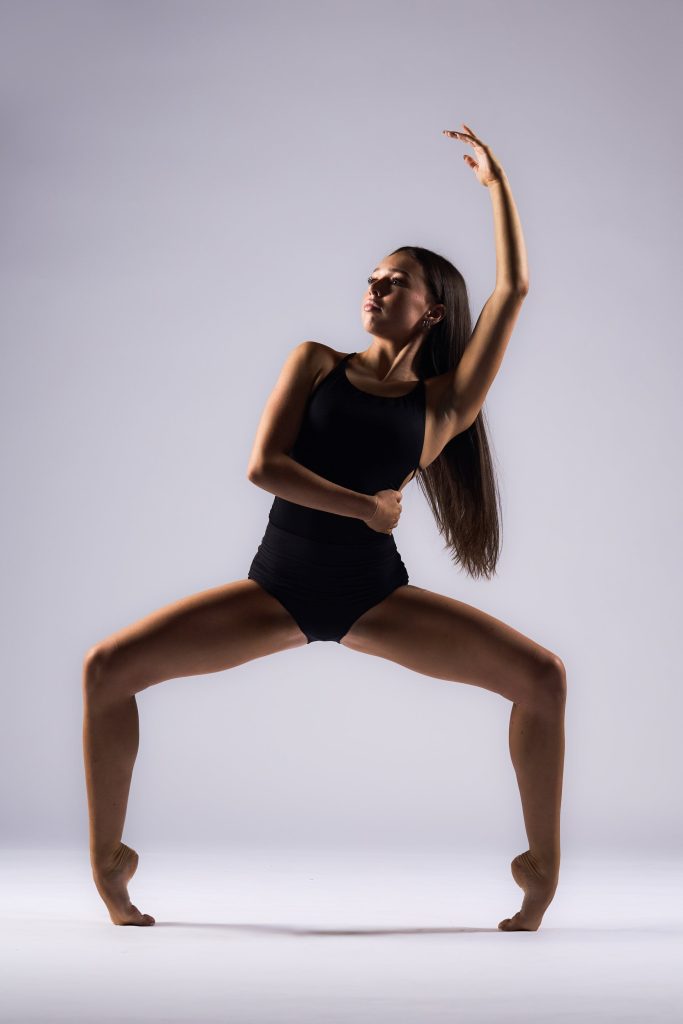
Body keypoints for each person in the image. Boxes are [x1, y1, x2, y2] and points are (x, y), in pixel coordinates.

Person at [82, 123, 565, 931]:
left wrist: (497, 188)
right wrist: (366, 508)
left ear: (430, 310)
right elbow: (263, 467)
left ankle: (541, 873)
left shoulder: (441, 408)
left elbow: (512, 293)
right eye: (372, 277)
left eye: (395, 282)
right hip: (276, 590)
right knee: (106, 671)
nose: (373, 288)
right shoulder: (313, 363)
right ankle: (108, 868)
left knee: (542, 679)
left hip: (374, 597)